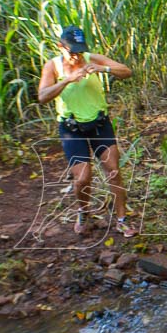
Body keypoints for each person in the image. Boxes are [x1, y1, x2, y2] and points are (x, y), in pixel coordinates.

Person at [38, 25, 137, 237]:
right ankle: (83, 211)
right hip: (72, 128)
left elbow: (127, 71)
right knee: (82, 178)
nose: (76, 56)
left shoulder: (93, 58)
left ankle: (121, 219)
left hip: (99, 124)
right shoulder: (53, 66)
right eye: (72, 51)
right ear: (60, 47)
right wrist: (67, 80)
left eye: (79, 50)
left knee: (114, 171)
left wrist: (104, 69)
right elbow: (43, 96)